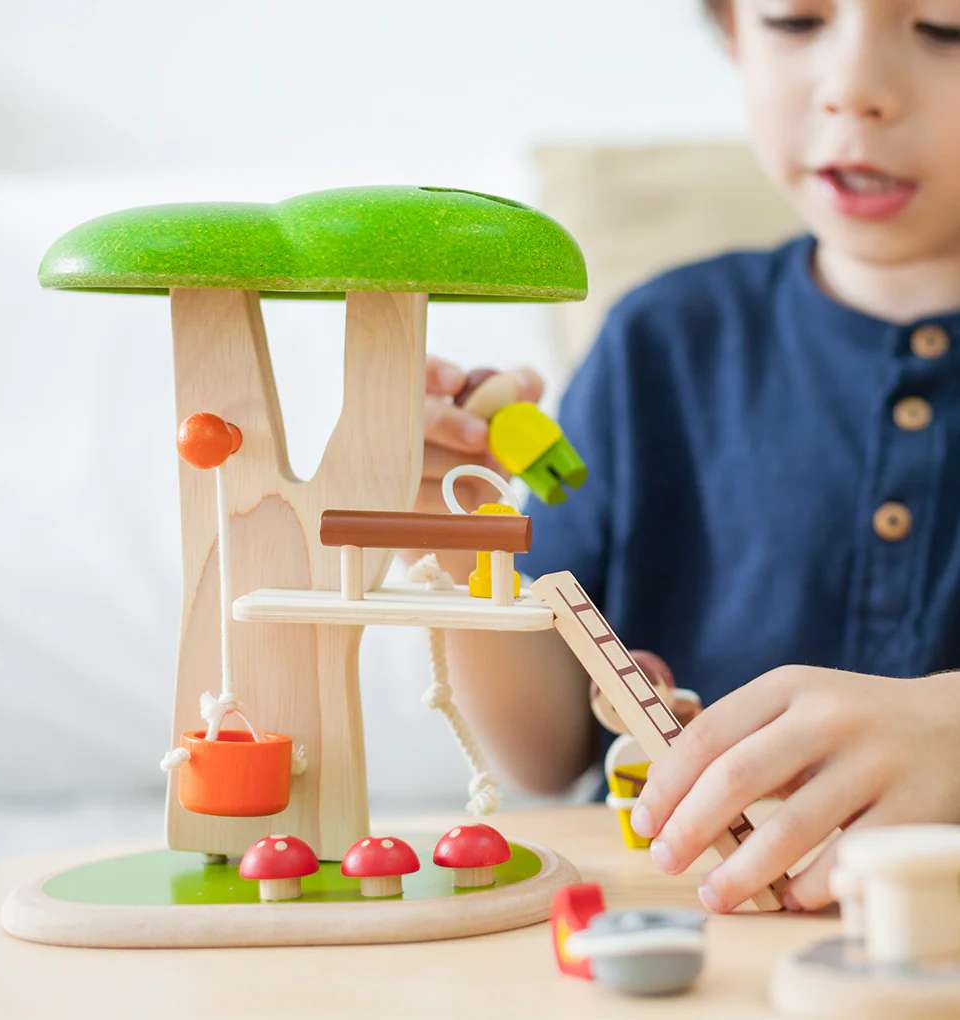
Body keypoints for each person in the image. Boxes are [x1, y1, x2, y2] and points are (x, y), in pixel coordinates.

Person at [411, 0, 960, 915]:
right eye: (794, 20)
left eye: (947, 28)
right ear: (730, 32)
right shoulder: (663, 341)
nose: (856, 91)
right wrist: (466, 542)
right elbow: (545, 754)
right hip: (692, 921)